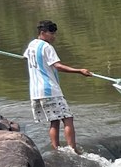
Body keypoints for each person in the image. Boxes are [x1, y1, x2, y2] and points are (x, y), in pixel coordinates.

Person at [22, 20, 92, 153]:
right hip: (49, 90)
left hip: (36, 92)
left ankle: (56, 148)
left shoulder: (32, 44)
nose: (54, 37)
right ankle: (73, 150)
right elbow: (58, 66)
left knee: (54, 121)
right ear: (42, 33)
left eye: (54, 34)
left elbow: (26, 57)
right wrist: (79, 71)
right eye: (51, 34)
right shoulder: (46, 47)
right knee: (68, 118)